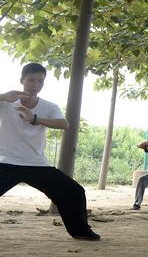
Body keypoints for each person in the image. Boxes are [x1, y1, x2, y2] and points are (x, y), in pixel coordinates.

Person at [0, 63, 99, 241]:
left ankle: (80, 231)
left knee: (74, 192)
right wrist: (2, 96)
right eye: (31, 80)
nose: (35, 85)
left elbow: (64, 124)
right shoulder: (5, 103)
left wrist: (34, 118)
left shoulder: (48, 106)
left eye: (40, 81)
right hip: (7, 162)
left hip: (37, 164)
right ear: (22, 80)